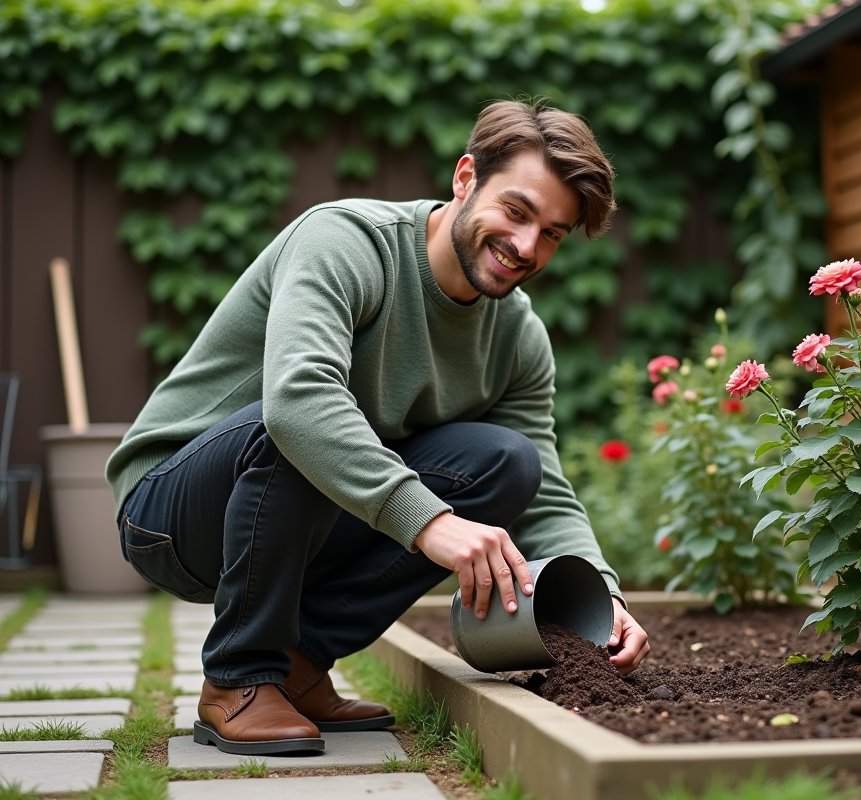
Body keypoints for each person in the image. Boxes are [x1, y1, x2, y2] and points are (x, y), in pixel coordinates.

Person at [105, 98, 650, 756]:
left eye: (554, 233)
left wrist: (602, 592)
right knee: (307, 426)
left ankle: (299, 665)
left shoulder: (518, 335)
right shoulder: (348, 242)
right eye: (516, 210)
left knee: (508, 462)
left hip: (303, 516)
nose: (527, 247)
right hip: (173, 514)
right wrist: (431, 522)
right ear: (465, 177)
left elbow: (543, 486)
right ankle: (238, 679)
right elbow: (297, 402)